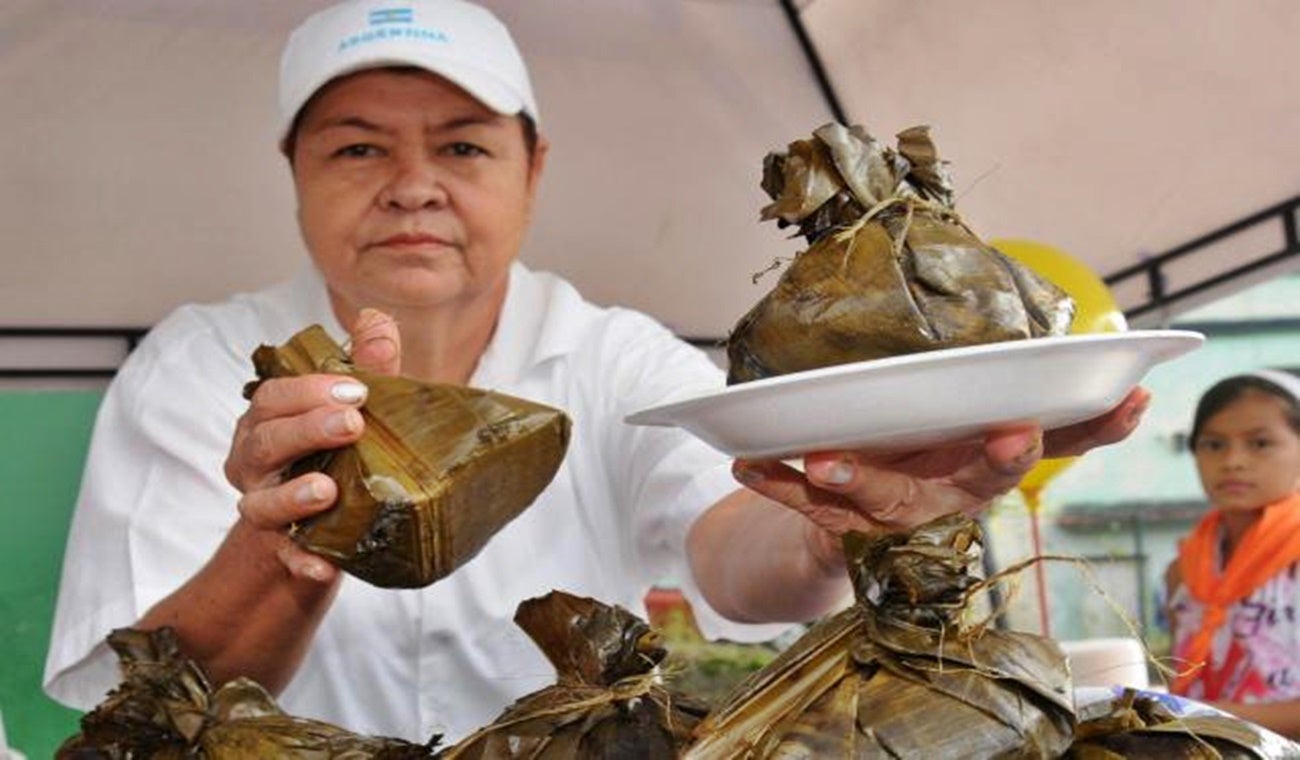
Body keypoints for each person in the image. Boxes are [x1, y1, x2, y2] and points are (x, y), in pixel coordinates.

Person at [43, 0, 1146, 744]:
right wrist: (282, 547)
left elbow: (736, 551)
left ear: (534, 168)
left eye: (465, 145)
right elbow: (139, 701)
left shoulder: (614, 355)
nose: (413, 184)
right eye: (357, 146)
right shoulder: (196, 365)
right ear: (294, 172)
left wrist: (839, 518)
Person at [1164, 369, 1300, 740]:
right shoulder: (1183, 571)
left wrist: (1217, 717)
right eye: (1213, 444)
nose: (1233, 461)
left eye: (1259, 443)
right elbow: (1180, 673)